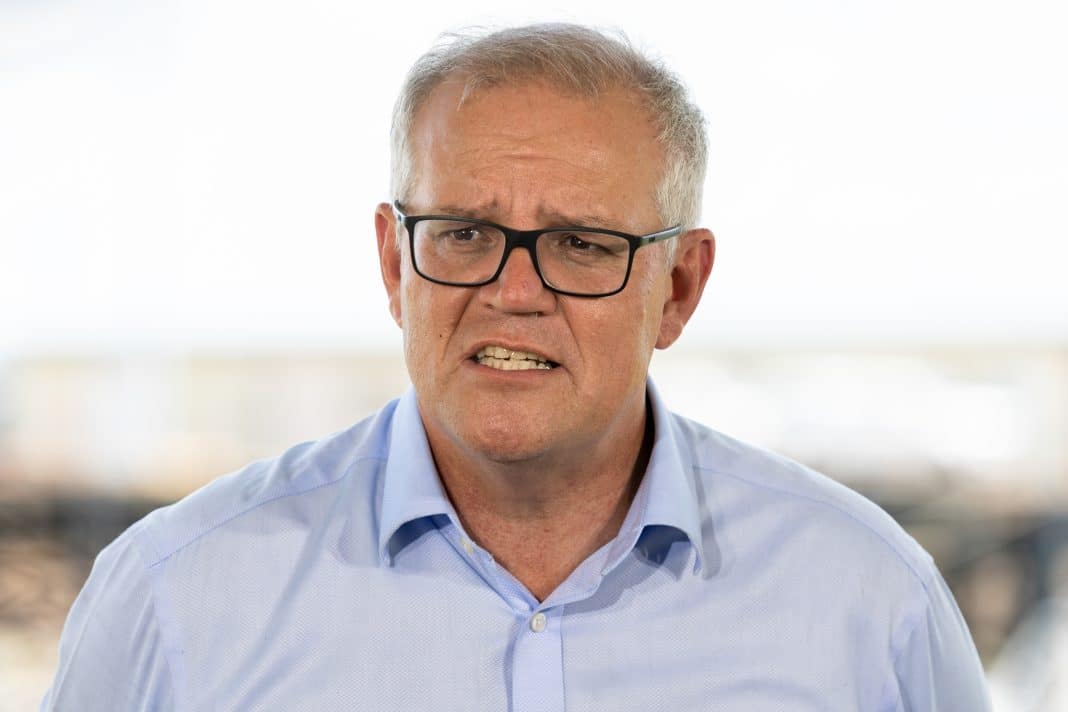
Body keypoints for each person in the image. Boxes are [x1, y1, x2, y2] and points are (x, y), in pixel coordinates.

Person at [43, 23, 991, 711]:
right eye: (463, 233)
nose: (514, 291)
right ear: (391, 264)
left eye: (581, 244)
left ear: (679, 289)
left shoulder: (870, 605)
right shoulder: (172, 600)